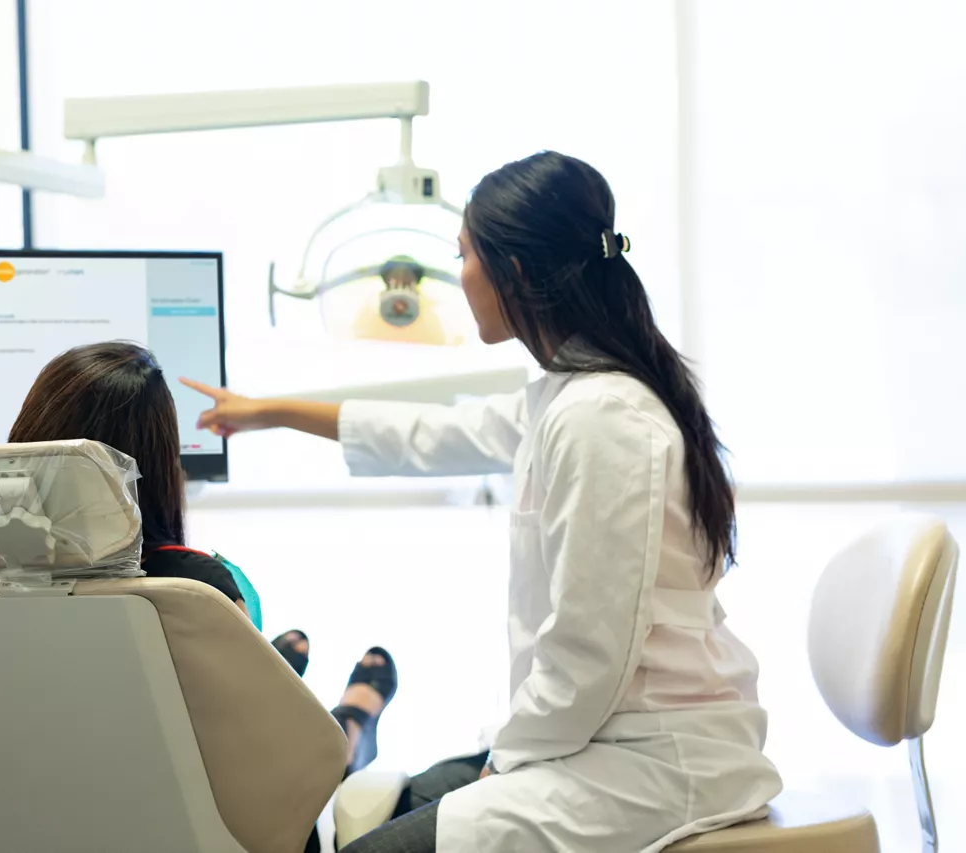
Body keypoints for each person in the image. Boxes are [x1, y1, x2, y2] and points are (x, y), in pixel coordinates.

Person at [182, 151, 783, 852]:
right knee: (392, 802)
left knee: (372, 843)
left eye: (463, 255)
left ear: (515, 273)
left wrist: (504, 761)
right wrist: (273, 411)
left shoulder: (603, 419)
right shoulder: (569, 394)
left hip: (647, 761)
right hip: (594, 738)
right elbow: (431, 432)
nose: (457, 276)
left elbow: (588, 654)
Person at [0, 341, 397, 783]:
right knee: (302, 725)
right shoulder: (196, 591)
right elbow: (257, 762)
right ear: (162, 461)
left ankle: (280, 671)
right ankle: (344, 715)